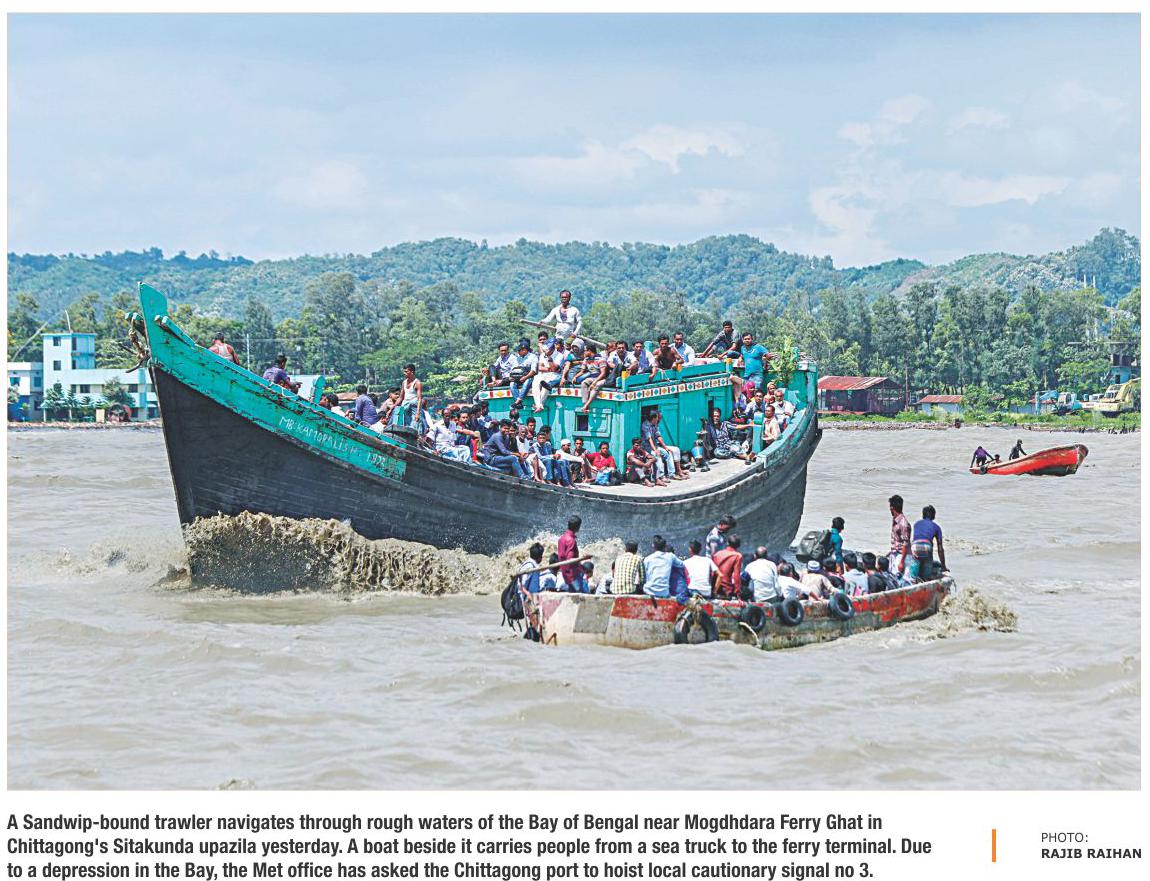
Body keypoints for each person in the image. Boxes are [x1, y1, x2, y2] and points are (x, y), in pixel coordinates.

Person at [641, 410, 688, 481]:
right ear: (653, 418)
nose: (658, 419)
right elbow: (649, 439)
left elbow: (658, 436)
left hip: (655, 446)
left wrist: (665, 447)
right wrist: (655, 450)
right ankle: (661, 476)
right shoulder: (645, 425)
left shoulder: (655, 425)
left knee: (668, 453)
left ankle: (671, 474)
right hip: (647, 447)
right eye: (657, 417)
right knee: (657, 456)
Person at [723, 331, 771, 399]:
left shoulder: (758, 347)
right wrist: (740, 358)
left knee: (757, 392)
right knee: (747, 392)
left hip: (757, 374)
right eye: (745, 339)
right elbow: (743, 355)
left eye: (749, 339)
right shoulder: (743, 348)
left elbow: (768, 354)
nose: (747, 340)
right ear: (743, 340)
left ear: (752, 339)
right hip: (747, 375)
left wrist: (766, 363)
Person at [642, 535, 688, 603]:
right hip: (664, 592)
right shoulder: (670, 556)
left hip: (649, 591)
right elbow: (682, 565)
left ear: (653, 546)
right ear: (664, 546)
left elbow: (648, 577)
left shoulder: (647, 559)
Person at [909, 505, 948, 582]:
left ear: (923, 515)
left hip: (915, 546)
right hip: (927, 547)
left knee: (915, 561)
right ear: (933, 516)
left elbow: (916, 538)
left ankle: (913, 579)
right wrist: (943, 566)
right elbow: (940, 548)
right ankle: (926, 578)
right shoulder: (937, 527)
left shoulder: (916, 524)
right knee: (928, 561)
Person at [532, 333, 562, 412]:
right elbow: (540, 368)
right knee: (536, 380)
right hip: (544, 374)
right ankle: (539, 405)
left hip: (554, 376)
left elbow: (554, 369)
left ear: (552, 348)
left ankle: (540, 405)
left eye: (548, 349)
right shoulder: (543, 354)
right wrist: (550, 369)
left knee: (546, 384)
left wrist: (549, 358)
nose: (546, 351)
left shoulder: (559, 355)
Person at [558, 515, 586, 592]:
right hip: (572, 576)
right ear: (577, 527)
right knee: (581, 594)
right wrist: (583, 558)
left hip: (564, 574)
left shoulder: (562, 538)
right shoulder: (571, 541)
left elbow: (562, 557)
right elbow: (570, 560)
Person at [577, 345, 609, 411]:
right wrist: (575, 377)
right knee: (584, 383)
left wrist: (594, 383)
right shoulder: (586, 359)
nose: (584, 352)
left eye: (585, 351)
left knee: (596, 385)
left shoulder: (601, 359)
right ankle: (585, 403)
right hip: (592, 377)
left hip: (602, 378)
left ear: (589, 351)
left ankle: (587, 405)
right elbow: (582, 371)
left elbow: (603, 373)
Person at [712, 533, 744, 599]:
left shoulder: (717, 554)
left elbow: (713, 573)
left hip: (715, 588)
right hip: (727, 590)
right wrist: (738, 592)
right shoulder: (737, 556)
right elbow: (736, 576)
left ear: (727, 543)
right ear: (738, 545)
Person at [888, 494, 911, 581]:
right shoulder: (896, 519)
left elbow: (905, 544)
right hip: (895, 553)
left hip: (901, 555)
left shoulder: (903, 523)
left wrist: (902, 562)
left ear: (892, 508)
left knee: (899, 579)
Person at [510, 339, 538, 408]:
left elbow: (533, 371)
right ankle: (518, 403)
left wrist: (525, 377)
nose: (518, 352)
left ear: (525, 350)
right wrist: (511, 377)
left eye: (519, 350)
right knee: (512, 384)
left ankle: (518, 401)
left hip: (529, 377)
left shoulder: (533, 357)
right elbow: (513, 369)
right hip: (518, 377)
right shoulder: (517, 358)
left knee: (526, 382)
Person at [396, 364, 423, 429]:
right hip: (405, 406)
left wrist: (418, 413)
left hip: (414, 408)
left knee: (415, 425)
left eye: (406, 371)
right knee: (402, 423)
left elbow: (419, 399)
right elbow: (400, 398)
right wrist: (392, 408)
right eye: (404, 371)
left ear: (412, 372)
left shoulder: (417, 383)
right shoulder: (404, 382)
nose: (404, 373)